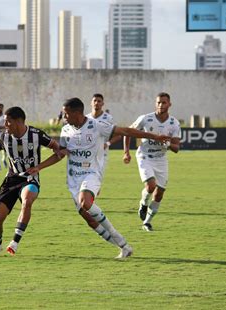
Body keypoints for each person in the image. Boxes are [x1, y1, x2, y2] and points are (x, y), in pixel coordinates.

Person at [27, 97, 172, 259]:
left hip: (91, 173)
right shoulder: (66, 129)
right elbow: (60, 154)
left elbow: (126, 131)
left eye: (66, 114)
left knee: (85, 202)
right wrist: (39, 167)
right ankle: (123, 246)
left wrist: (154, 136)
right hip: (73, 178)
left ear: (76, 113)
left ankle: (120, 238)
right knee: (88, 217)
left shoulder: (96, 126)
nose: (64, 117)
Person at [0, 106, 61, 256]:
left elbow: (59, 152)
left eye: (8, 122)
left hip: (30, 178)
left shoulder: (36, 135)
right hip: (11, 180)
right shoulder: (4, 137)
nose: (5, 125)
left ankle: (15, 242)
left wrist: (39, 167)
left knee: (27, 201)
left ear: (18, 121)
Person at [123, 92, 181, 232]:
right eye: (159, 102)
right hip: (145, 156)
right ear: (156, 104)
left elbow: (176, 147)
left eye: (164, 102)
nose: (161, 105)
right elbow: (128, 132)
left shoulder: (174, 123)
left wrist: (166, 144)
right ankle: (143, 203)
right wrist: (126, 152)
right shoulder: (145, 118)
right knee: (151, 186)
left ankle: (147, 223)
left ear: (169, 104)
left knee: (159, 193)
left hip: (161, 159)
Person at [86, 93, 121, 176]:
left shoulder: (108, 118)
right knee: (86, 179)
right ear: (91, 103)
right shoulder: (86, 118)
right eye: (95, 101)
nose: (96, 103)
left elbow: (118, 135)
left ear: (102, 104)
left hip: (101, 155)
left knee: (96, 179)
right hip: (87, 155)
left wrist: (107, 144)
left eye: (99, 101)